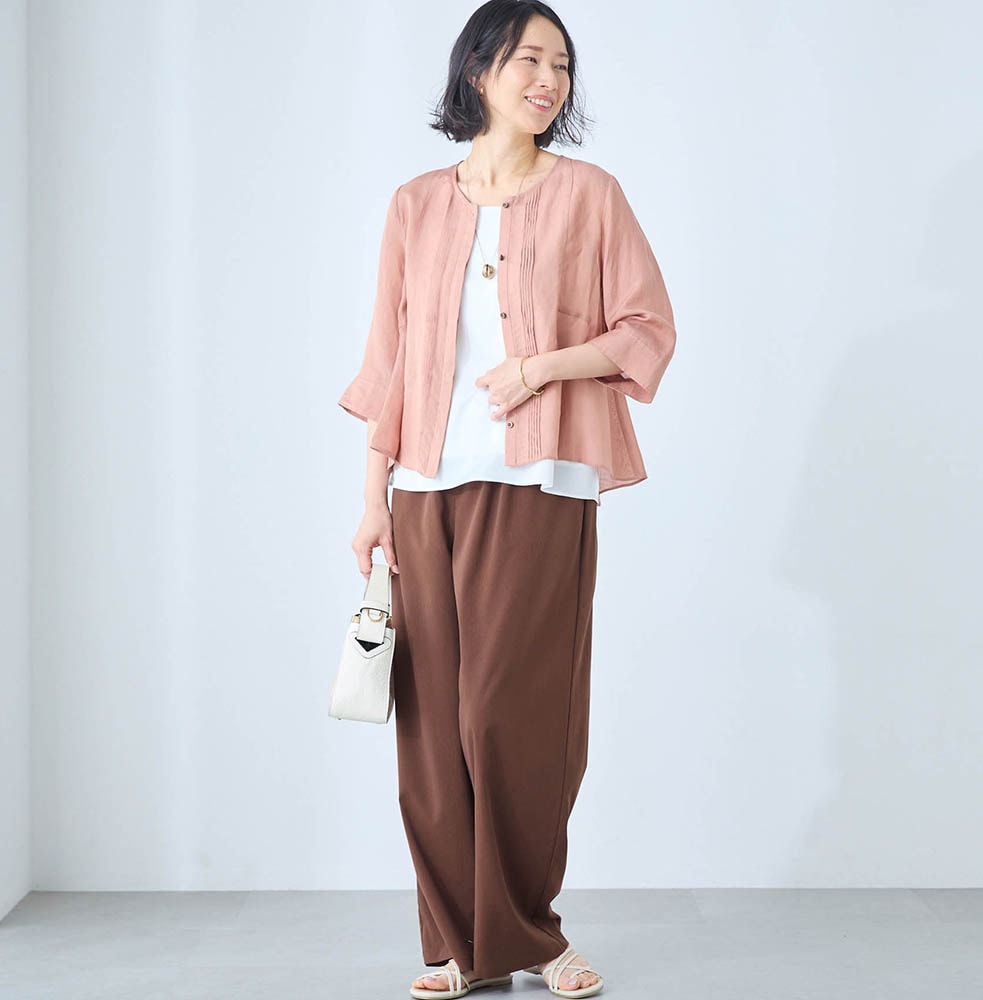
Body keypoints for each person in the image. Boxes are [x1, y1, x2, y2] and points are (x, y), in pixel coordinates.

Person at [339, 2, 676, 997]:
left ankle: (530, 933)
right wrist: (371, 498)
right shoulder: (414, 204)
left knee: (512, 716)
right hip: (423, 488)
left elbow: (645, 327)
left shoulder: (591, 195)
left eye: (561, 65)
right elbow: (389, 364)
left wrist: (539, 367)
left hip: (540, 482)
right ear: (480, 70)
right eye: (529, 59)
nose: (548, 81)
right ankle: (455, 942)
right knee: (431, 728)